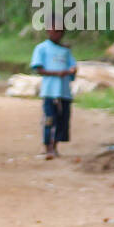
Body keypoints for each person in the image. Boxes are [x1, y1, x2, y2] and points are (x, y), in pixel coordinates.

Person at [30, 20, 76, 159]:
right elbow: (38, 69)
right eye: (54, 30)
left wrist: (71, 71)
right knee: (50, 119)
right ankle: (48, 147)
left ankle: (55, 146)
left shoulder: (66, 51)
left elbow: (73, 68)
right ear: (48, 31)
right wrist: (57, 73)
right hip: (49, 91)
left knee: (62, 120)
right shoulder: (41, 48)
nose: (57, 34)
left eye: (60, 31)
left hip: (64, 92)